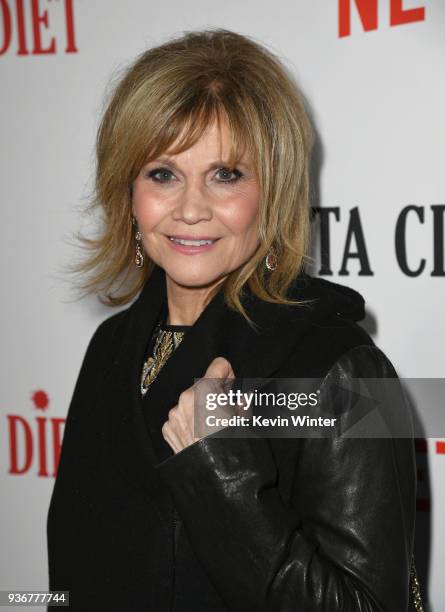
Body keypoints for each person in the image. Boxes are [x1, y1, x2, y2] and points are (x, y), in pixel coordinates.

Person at [47, 28, 418, 611]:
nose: (191, 209)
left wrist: (219, 472)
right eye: (163, 174)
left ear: (273, 194)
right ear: (129, 192)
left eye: (226, 174)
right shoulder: (111, 346)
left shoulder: (349, 367)